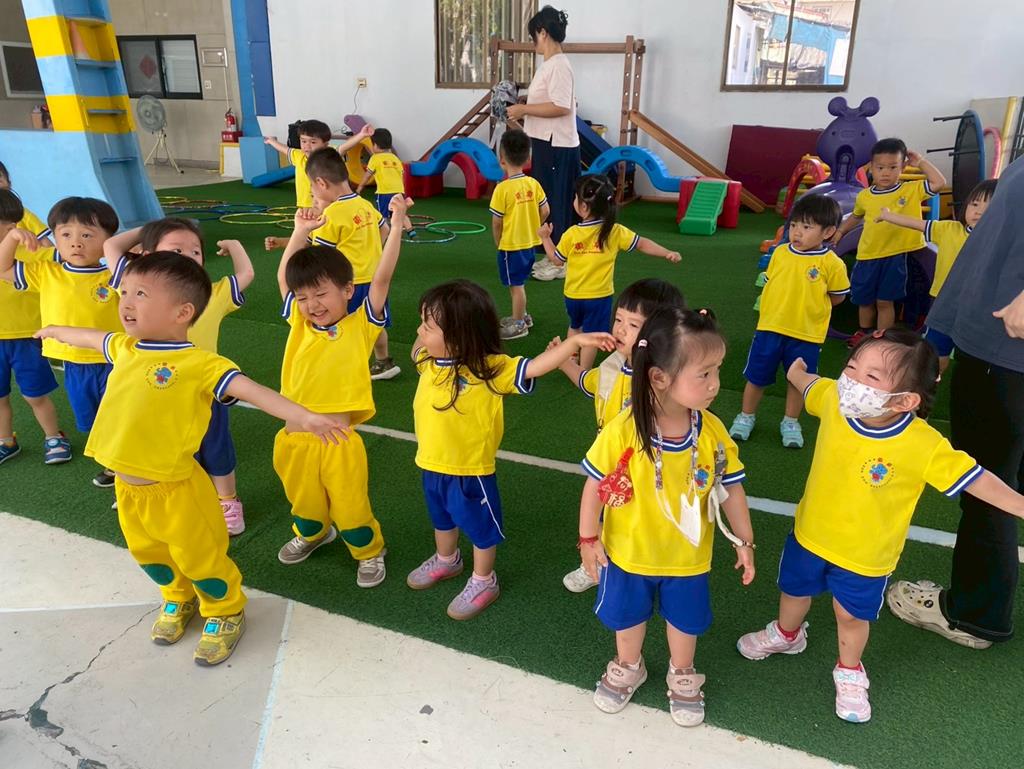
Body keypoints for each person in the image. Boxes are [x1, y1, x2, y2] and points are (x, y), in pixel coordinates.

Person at [36, 252, 348, 666]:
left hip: (178, 490)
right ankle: (178, 597)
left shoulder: (201, 364)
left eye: (140, 294)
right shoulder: (126, 348)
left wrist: (304, 417)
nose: (125, 301)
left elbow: (253, 391)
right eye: (124, 292)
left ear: (183, 312)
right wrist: (56, 330)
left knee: (199, 556)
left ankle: (225, 610)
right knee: (149, 554)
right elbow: (90, 337)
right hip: (129, 490)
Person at [737, 329, 1024, 723]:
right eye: (852, 367)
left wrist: (1020, 505)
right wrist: (796, 372)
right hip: (809, 535)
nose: (851, 380)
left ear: (906, 401)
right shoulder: (835, 401)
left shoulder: (924, 445)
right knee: (793, 590)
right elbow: (811, 386)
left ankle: (849, 669)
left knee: (850, 616)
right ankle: (787, 635)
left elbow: (976, 479)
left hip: (866, 557)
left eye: (870, 377)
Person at [580, 307, 755, 727]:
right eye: (705, 374)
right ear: (659, 377)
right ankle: (629, 665)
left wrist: (744, 541)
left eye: (717, 371)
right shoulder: (624, 429)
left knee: (684, 621)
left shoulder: (712, 432)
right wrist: (588, 538)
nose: (716, 384)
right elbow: (594, 485)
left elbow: (731, 489)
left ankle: (682, 672)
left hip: (688, 559)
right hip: (628, 554)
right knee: (627, 619)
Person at [406, 279, 614, 620]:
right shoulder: (428, 361)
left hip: (471, 472)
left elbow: (535, 366)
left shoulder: (490, 369)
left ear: (460, 336)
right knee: (441, 518)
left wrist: (573, 343)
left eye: (428, 326)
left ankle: (483, 579)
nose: (419, 332)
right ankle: (447, 559)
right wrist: (431, 316)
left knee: (481, 531)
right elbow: (419, 342)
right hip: (430, 464)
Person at [886, 155, 1024, 650]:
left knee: (989, 487)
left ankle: (975, 615)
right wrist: (940, 335)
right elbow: (987, 249)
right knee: (1004, 479)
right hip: (989, 343)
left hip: (1004, 355)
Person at [272, 194, 408, 588]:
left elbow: (381, 279)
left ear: (347, 290)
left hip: (338, 443)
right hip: (295, 442)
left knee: (351, 509)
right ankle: (315, 533)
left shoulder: (361, 326)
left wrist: (397, 225)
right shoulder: (299, 325)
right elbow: (284, 279)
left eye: (321, 294)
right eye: (303, 298)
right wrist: (300, 231)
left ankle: (368, 551)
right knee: (305, 504)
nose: (312, 305)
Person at [106, 217, 255, 534]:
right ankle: (144, 485)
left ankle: (227, 500)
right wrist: (153, 228)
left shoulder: (212, 293)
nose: (188, 256)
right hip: (152, 393)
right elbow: (111, 246)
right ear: (148, 256)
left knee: (215, 447)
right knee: (154, 444)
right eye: (176, 250)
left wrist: (234, 245)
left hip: (205, 389)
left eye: (195, 251)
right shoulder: (138, 286)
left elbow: (246, 274)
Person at [555, 278, 686, 593]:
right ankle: (596, 563)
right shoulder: (612, 367)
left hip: (646, 470)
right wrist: (563, 362)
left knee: (639, 523)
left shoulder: (663, 382)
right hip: (610, 465)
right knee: (604, 514)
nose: (620, 330)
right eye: (618, 320)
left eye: (633, 325)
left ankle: (645, 567)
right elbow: (588, 383)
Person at [0, 197, 122, 487]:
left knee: (119, 415)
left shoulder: (116, 274)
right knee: (90, 419)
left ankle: (123, 468)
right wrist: (12, 239)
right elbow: (3, 269)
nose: (76, 243)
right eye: (65, 235)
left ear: (108, 241)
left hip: (114, 359)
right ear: (55, 238)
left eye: (87, 235)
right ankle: (113, 463)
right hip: (73, 363)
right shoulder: (47, 272)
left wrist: (126, 248)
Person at [729, 194, 849, 448]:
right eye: (794, 224)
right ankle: (746, 416)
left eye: (807, 227)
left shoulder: (832, 264)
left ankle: (791, 422)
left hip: (807, 334)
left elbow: (838, 297)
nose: (797, 232)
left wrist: (811, 306)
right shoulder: (780, 253)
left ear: (828, 232)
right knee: (757, 376)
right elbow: (771, 283)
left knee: (798, 380)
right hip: (770, 329)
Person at [539, 175, 681, 370]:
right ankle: (583, 372)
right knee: (592, 334)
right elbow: (642, 244)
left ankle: (573, 360)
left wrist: (545, 238)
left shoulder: (572, 234)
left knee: (575, 327)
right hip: (599, 296)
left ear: (583, 207)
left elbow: (556, 260)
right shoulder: (614, 231)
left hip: (573, 295)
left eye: (575, 198)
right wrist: (666, 252)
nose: (574, 201)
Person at [875, 179, 997, 371]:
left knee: (973, 359)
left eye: (989, 207)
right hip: (943, 301)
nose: (979, 212)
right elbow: (917, 224)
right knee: (936, 350)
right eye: (975, 204)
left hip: (977, 308)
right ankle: (932, 379)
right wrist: (888, 216)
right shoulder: (949, 229)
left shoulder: (1000, 241)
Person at [832, 138, 945, 344]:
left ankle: (882, 337)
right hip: (867, 256)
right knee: (864, 301)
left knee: (885, 302)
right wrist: (840, 232)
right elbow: (856, 216)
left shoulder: (910, 190)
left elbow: (939, 183)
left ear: (903, 167)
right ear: (871, 168)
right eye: (880, 167)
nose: (886, 173)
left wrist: (920, 162)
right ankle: (863, 333)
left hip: (894, 258)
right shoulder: (865, 196)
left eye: (893, 167)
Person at [303, 147, 400, 380]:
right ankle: (384, 361)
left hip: (348, 284)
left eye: (311, 187)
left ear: (321, 183)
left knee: (345, 327)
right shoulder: (365, 204)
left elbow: (321, 256)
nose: (312, 193)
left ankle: (349, 367)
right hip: (375, 280)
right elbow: (385, 230)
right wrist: (369, 253)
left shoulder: (331, 214)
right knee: (375, 323)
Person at [506, 5, 578, 282]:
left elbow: (561, 106)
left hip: (557, 145)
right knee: (547, 201)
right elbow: (551, 102)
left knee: (556, 203)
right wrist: (525, 106)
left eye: (533, 36)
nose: (533, 42)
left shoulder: (559, 65)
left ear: (543, 32)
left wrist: (524, 110)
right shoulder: (549, 65)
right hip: (546, 143)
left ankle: (559, 262)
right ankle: (552, 256)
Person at [0, 189, 69, 466]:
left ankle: (53, 436)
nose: (9, 233)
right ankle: (6, 441)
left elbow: (68, 256)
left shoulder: (33, 253)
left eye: (10, 229)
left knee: (34, 395)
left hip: (26, 337)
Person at [263, 122, 373, 249]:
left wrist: (362, 135)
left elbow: (344, 148)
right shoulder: (298, 156)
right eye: (303, 141)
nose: (307, 146)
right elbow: (284, 149)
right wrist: (271, 141)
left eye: (313, 142)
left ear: (325, 144)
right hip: (305, 204)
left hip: (324, 203)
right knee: (307, 233)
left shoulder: (327, 157)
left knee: (326, 230)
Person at [489, 128, 550, 340]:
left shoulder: (502, 189)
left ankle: (518, 324)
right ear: (527, 159)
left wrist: (498, 241)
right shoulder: (533, 183)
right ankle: (522, 315)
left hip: (511, 246)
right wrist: (534, 226)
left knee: (516, 287)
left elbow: (497, 222)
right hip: (529, 244)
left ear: (502, 160)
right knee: (519, 283)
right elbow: (545, 210)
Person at [355, 127, 414, 235]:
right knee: (399, 212)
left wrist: (359, 188)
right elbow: (402, 176)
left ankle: (385, 233)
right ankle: (411, 231)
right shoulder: (395, 158)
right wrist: (403, 191)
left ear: (375, 145)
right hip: (399, 191)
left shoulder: (375, 158)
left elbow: (367, 176)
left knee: (383, 215)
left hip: (384, 192)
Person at [0, 160, 53, 246]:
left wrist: (54, 253)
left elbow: (44, 241)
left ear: (9, 184)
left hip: (28, 254)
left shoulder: (20, 212)